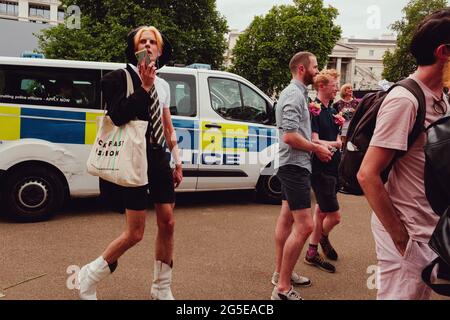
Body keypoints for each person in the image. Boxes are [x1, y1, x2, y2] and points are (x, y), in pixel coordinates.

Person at [77, 26, 183, 300]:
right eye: (142, 41)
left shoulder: (164, 84)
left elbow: (167, 124)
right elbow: (118, 115)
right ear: (134, 49)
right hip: (133, 158)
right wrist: (145, 86)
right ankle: (88, 276)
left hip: (158, 156)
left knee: (168, 222)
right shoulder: (118, 78)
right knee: (135, 232)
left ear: (159, 51)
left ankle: (161, 288)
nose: (148, 45)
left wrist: (177, 159)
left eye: (153, 42)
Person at [357, 9, 450, 300]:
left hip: (428, 231)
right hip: (407, 234)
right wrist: (401, 240)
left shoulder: (442, 99)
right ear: (444, 52)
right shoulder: (405, 100)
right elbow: (367, 174)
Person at [271, 52, 332, 300]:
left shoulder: (297, 93)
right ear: (300, 69)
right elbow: (289, 136)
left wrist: (317, 146)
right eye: (315, 67)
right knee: (306, 225)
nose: (317, 71)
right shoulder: (294, 94)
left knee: (286, 220)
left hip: (293, 164)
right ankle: (282, 289)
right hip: (294, 166)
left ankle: (280, 274)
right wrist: (317, 148)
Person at [304, 70, 342, 274]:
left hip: (334, 166)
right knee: (335, 216)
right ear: (322, 86)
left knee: (321, 211)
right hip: (321, 168)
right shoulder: (314, 110)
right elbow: (314, 140)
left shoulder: (332, 110)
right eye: (334, 84)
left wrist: (337, 143)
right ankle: (322, 238)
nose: (337, 87)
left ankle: (312, 251)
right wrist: (336, 143)